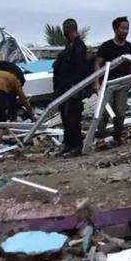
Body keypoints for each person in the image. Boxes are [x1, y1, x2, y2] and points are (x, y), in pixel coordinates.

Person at [95, 16, 131, 144]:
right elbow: (98, 64)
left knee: (120, 112)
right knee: (105, 111)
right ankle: (100, 136)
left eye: (127, 29)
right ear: (115, 29)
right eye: (123, 28)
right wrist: (96, 82)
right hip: (108, 83)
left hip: (123, 82)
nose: (125, 31)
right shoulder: (106, 46)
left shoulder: (129, 47)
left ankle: (117, 137)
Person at [53, 18, 89, 157]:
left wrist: (76, 87)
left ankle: (77, 146)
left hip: (73, 88)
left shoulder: (79, 46)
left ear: (67, 30)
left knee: (73, 117)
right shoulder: (69, 46)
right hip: (63, 88)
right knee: (65, 117)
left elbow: (80, 68)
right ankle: (68, 145)